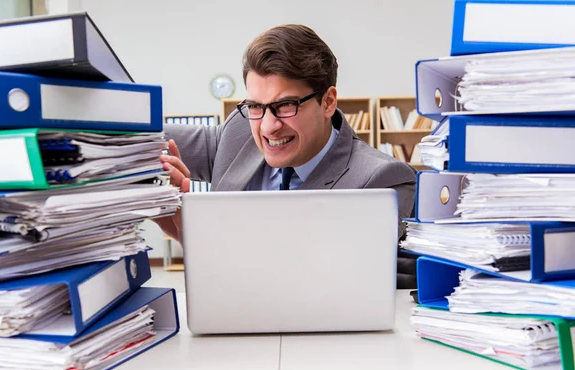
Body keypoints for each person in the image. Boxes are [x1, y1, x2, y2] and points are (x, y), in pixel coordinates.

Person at [155, 24, 416, 247]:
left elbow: (339, 283)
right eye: (256, 105)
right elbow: (144, 137)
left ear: (328, 102)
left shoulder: (382, 182)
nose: (268, 127)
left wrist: (193, 235)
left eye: (285, 106)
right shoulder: (240, 130)